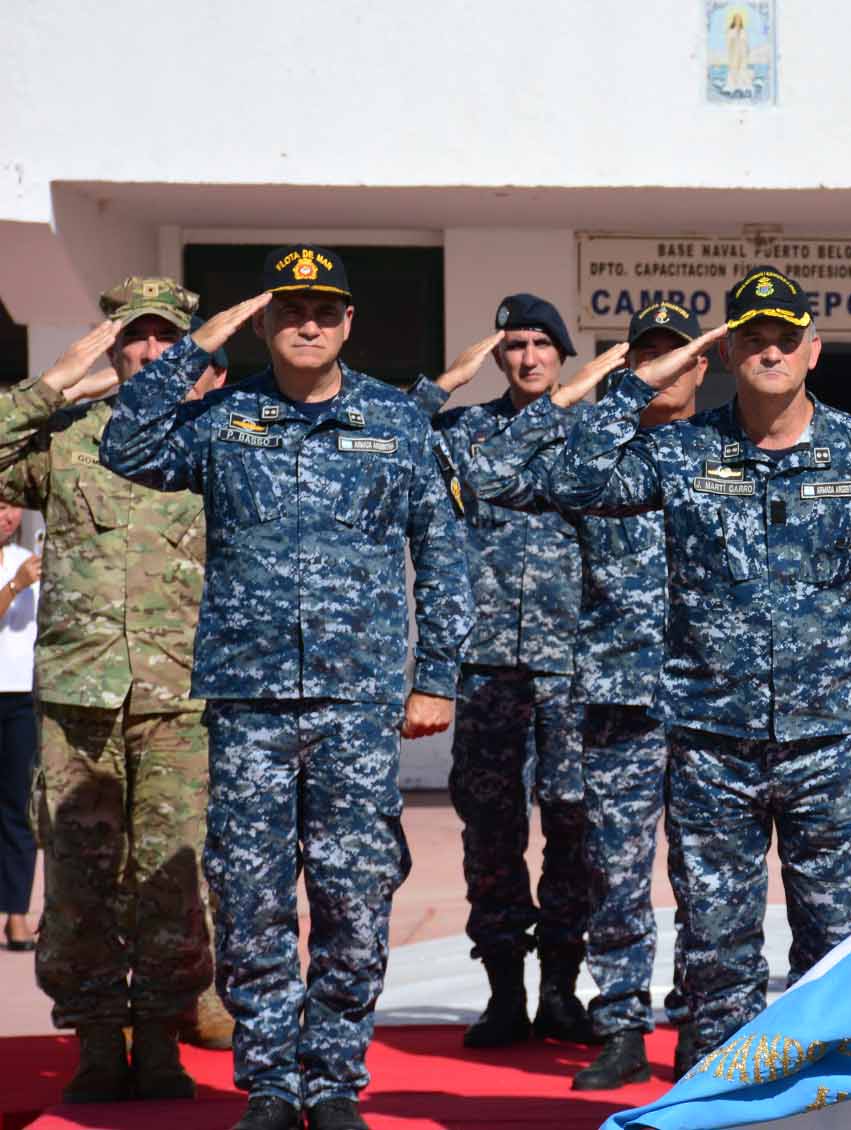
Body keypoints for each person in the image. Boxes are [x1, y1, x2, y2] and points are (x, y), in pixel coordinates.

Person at [100, 245, 474, 1130]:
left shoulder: (396, 422)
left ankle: (335, 1080)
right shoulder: (225, 418)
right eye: (290, 310)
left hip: (357, 702)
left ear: (348, 322)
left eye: (325, 311)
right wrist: (200, 343)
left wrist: (436, 681)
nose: (309, 325)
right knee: (251, 893)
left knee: (355, 889)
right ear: (264, 322)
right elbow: (127, 444)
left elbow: (444, 554)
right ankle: (270, 1082)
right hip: (250, 702)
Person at [546, 267, 851, 1078]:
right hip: (711, 741)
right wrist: (637, 384)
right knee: (716, 940)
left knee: (833, 932)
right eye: (752, 338)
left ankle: (823, 1093)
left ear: (814, 350)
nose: (770, 352)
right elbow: (571, 478)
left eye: (786, 339)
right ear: (724, 353)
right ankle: (724, 1092)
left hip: (828, 740)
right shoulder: (681, 451)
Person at [467, 299, 708, 1089]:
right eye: (647, 358)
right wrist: (588, 402)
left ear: (702, 364)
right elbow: (493, 472)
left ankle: (701, 1019)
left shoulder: (726, 448)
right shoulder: (592, 457)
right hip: (616, 696)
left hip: (714, 696)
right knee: (615, 871)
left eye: (677, 356)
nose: (664, 371)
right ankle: (621, 1026)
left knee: (710, 872)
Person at [0, 280, 230, 1104]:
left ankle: (163, 1036)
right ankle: (98, 1040)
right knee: (79, 880)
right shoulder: (66, 439)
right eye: (135, 336)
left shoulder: (215, 440)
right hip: (79, 698)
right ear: (113, 345)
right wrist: (54, 383)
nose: (149, 351)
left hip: (180, 697)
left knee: (175, 876)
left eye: (167, 337)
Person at [407, 293, 597, 1050]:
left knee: (574, 826)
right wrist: (441, 384)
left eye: (542, 344)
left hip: (571, 668)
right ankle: (504, 992)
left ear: (563, 355)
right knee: (490, 832)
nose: (527, 358)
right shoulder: (461, 432)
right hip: (486, 666)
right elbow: (389, 437)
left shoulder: (591, 434)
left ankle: (561, 989)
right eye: (513, 345)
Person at [0, 506, 38, 954]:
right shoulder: (22, 573)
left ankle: (16, 914)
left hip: (22, 698)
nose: (6, 516)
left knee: (18, 809)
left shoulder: (28, 560)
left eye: (12, 507)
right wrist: (14, 586)